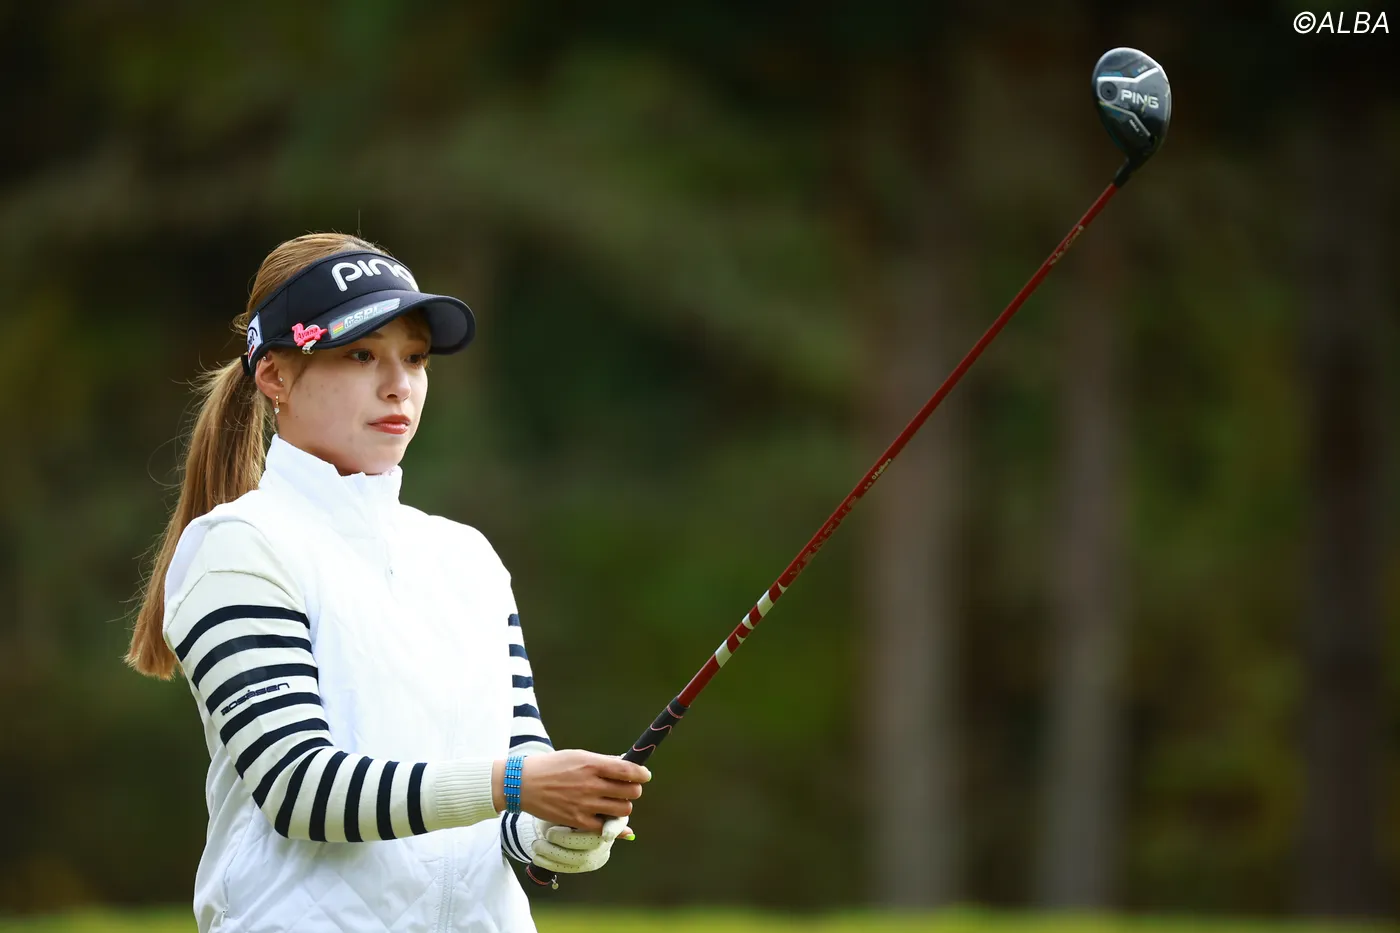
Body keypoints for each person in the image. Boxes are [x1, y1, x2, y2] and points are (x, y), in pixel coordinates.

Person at [126, 232, 651, 933]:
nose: (398, 384)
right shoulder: (238, 548)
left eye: (415, 358)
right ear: (275, 376)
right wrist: (518, 784)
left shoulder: (468, 557)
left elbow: (517, 783)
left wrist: (566, 828)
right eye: (360, 355)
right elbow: (299, 788)